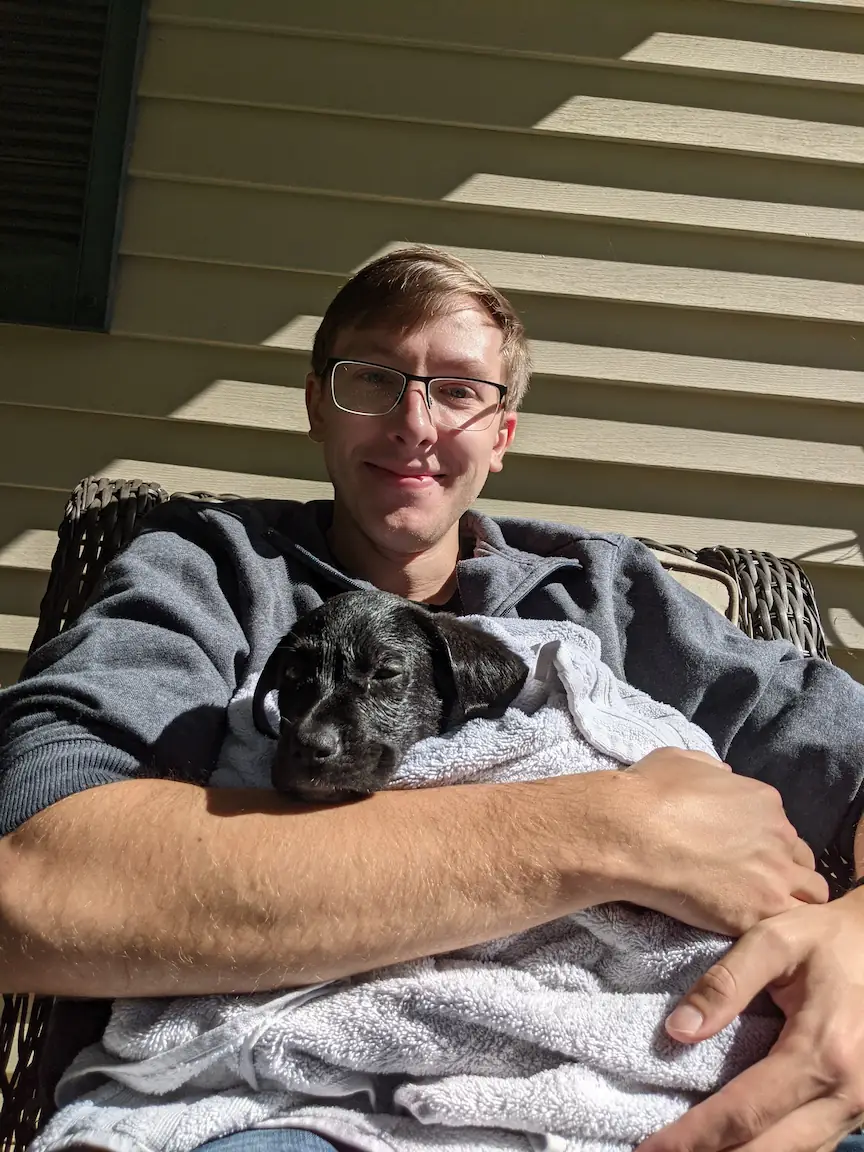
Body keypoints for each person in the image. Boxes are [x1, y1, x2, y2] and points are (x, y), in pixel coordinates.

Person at [1, 244, 864, 1152]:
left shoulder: (607, 594)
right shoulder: (210, 572)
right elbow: (36, 880)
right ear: (315, 408)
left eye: (458, 391)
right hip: (302, 1105)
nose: (414, 421)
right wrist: (609, 831)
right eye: (373, 379)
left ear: (501, 434)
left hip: (633, 1084)